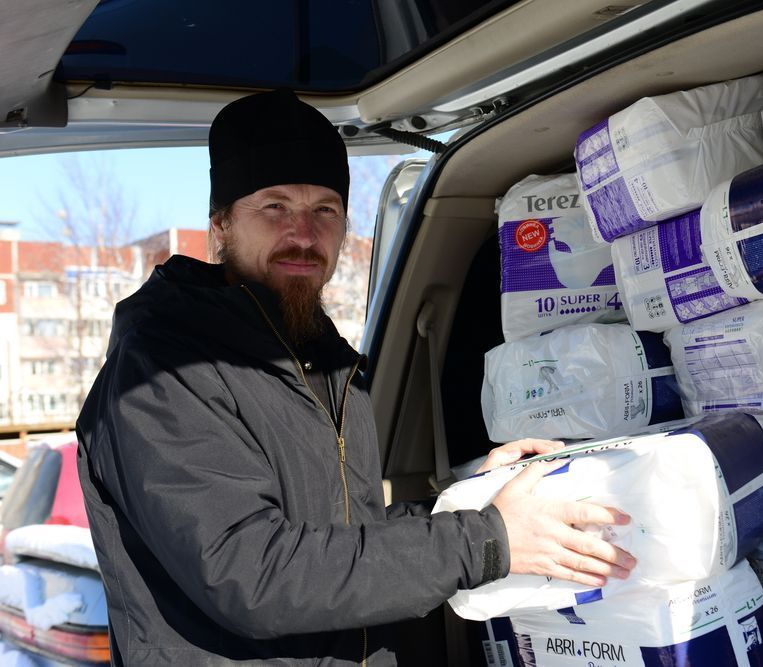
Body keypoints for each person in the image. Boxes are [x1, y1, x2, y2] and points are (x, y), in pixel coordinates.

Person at [76, 88, 636, 666]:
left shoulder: (327, 364)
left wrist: (471, 502)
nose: (303, 233)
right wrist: (486, 541)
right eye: (275, 207)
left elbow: (344, 534)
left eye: (325, 210)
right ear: (221, 225)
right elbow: (249, 574)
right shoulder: (164, 370)